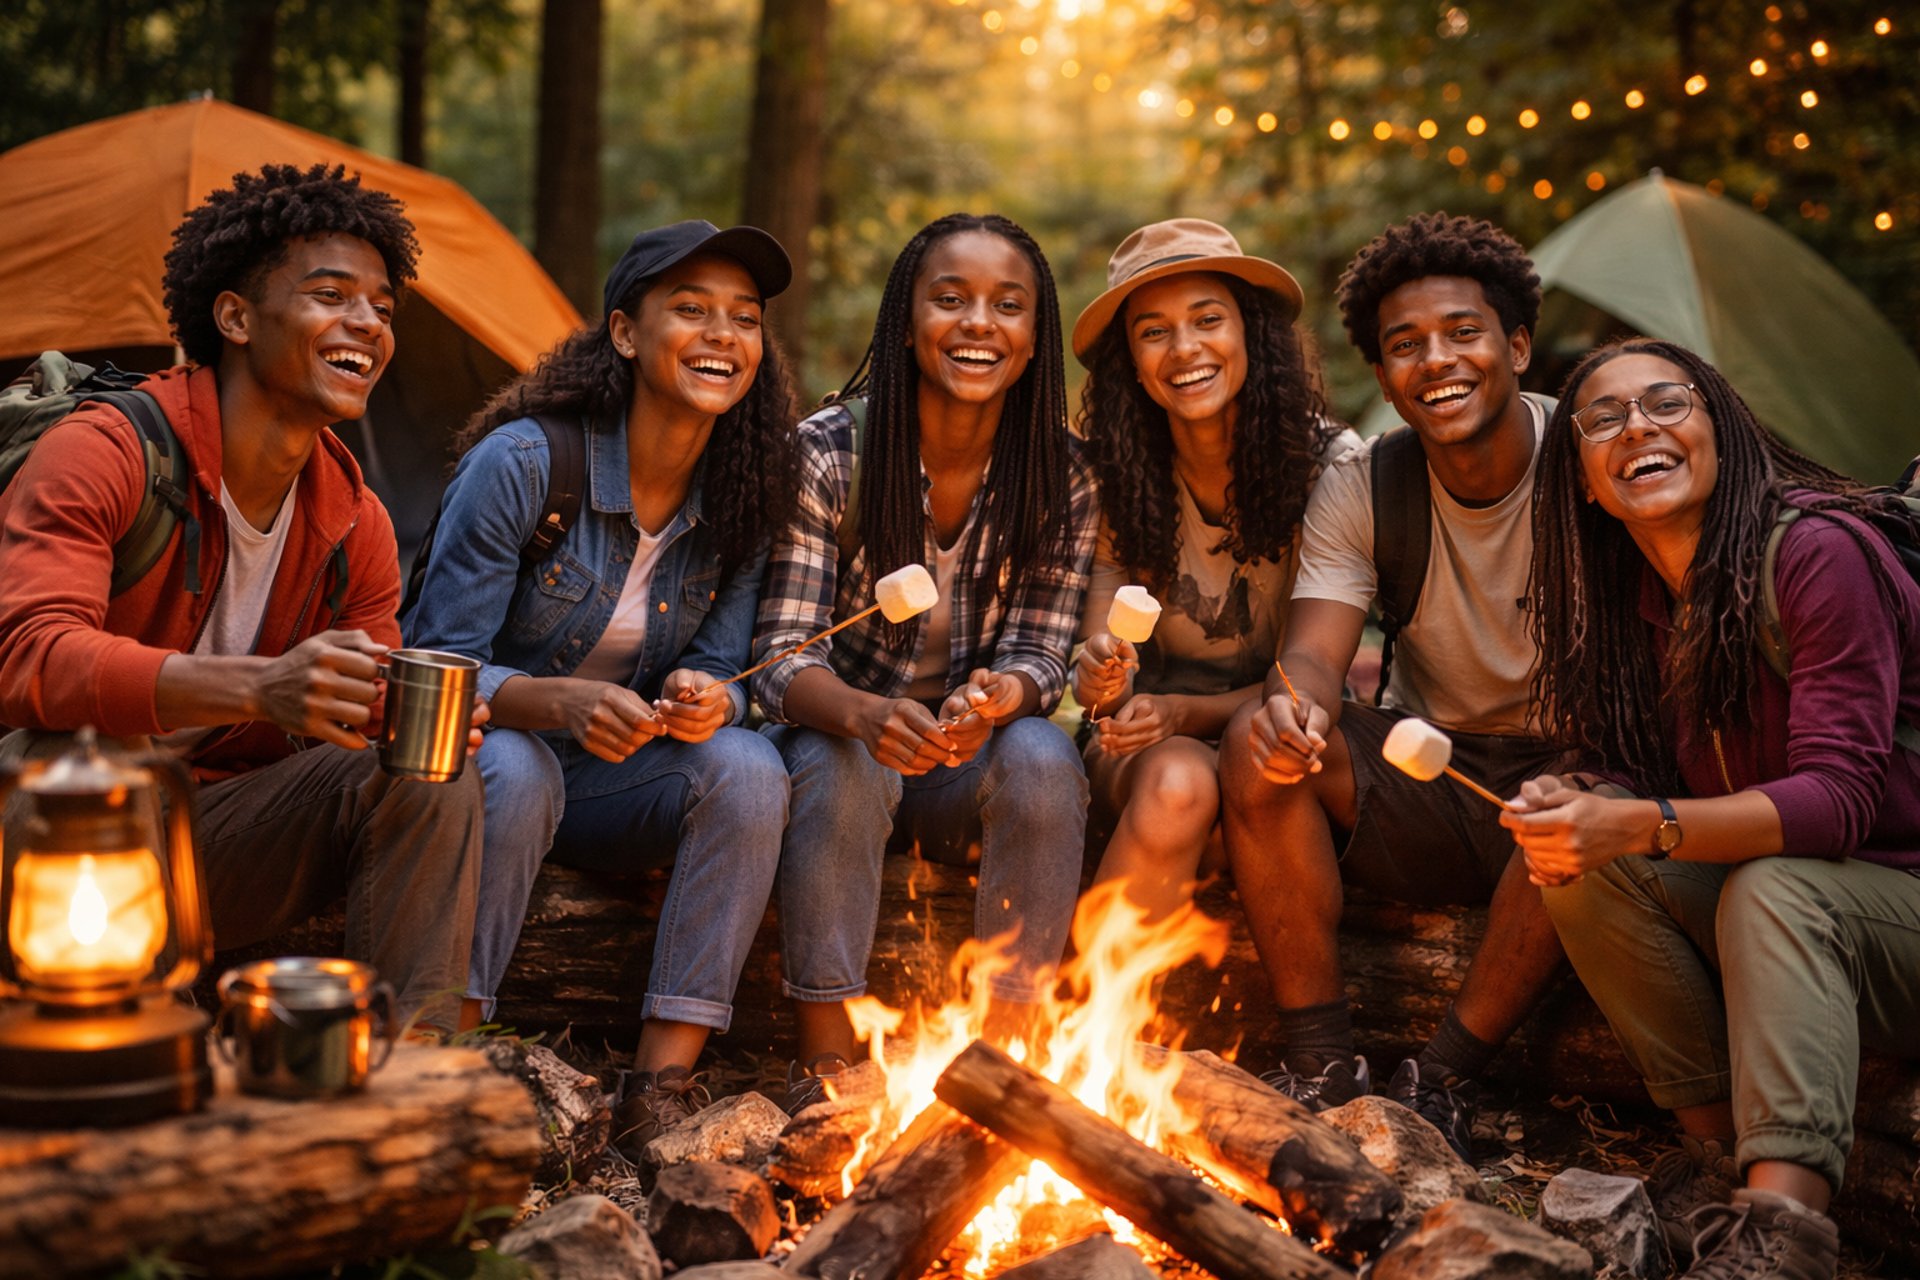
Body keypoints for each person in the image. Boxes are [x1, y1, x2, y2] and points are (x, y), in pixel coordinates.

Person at [0, 164, 481, 1031]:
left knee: (429, 778)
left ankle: (420, 1086)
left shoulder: (353, 520)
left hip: (215, 835)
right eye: (332, 295)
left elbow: (353, 710)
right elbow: (28, 656)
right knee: (92, 771)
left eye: (381, 306)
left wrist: (401, 717)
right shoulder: (104, 454)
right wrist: (256, 686)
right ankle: (149, 1056)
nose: (366, 323)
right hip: (51, 842)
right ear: (235, 318)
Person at [1504, 337, 1920, 1280]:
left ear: (1722, 431)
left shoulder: (1818, 554)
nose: (1638, 427)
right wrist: (1584, 800)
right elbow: (1643, 784)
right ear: (1583, 482)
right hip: (1811, 922)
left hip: (1898, 907)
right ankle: (1716, 1163)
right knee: (1589, 865)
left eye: (1666, 403)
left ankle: (1776, 1239)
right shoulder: (1647, 601)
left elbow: (1842, 803)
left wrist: (1643, 820)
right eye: (1604, 418)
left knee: (1775, 890)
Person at [404, 221, 801, 1155]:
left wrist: (712, 696)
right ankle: (453, 1058)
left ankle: (660, 1087)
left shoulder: (746, 492)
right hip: (484, 769)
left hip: (616, 780)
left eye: (744, 319)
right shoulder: (527, 465)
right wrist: (551, 703)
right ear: (626, 332)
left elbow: (733, 671)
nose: (723, 336)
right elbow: (435, 669)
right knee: (516, 765)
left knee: (746, 769)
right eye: (691, 311)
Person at [1215, 212, 1567, 1158]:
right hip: (1433, 776)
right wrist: (1296, 707)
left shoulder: (1589, 463)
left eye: (1464, 332)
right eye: (1406, 346)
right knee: (1259, 741)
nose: (1437, 360)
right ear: (1382, 376)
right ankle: (1322, 1063)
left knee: (1590, 806)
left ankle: (1441, 1082)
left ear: (1517, 345)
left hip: (1572, 778)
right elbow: (1318, 656)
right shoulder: (1368, 483)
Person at [752, 212, 1098, 1088]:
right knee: (843, 762)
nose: (979, 322)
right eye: (951, 300)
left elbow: (1044, 651)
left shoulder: (1064, 475)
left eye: (1007, 306)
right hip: (840, 748)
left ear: (1033, 339)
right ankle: (826, 1060)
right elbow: (783, 657)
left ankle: (1005, 1056)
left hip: (960, 763)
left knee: (1045, 755)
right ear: (907, 324)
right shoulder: (829, 454)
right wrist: (867, 716)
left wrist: (1002, 697)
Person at [1069, 219, 1357, 922]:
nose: (1185, 348)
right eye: (1153, 331)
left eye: (1207, 320)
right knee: (1179, 782)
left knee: (1237, 794)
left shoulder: (1332, 470)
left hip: (1285, 732)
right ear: (1131, 363)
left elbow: (1317, 678)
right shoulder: (1111, 478)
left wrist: (1186, 713)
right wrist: (1103, 677)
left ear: (1251, 336)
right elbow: (1104, 685)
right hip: (1145, 750)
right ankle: (1083, 1020)